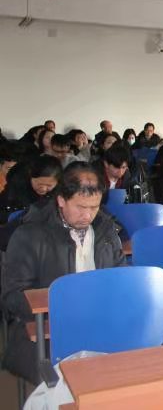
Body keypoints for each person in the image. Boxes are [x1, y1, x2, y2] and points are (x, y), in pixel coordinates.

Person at [1, 162, 125, 383]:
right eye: (80, 207)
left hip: (100, 321)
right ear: (60, 200)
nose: (88, 215)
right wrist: (61, 310)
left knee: (135, 365)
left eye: (94, 207)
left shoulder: (106, 230)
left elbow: (121, 279)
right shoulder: (29, 235)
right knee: (76, 381)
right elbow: (12, 296)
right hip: (46, 327)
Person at [0, 155, 62, 223]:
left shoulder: (61, 193)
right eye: (39, 184)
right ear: (30, 177)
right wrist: (11, 216)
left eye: (49, 185)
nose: (43, 189)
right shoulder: (15, 188)